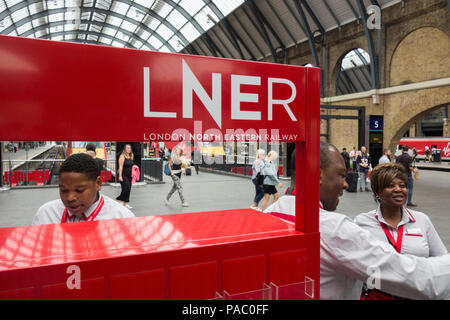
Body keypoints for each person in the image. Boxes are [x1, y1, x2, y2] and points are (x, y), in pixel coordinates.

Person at [264, 141, 450, 299]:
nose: (345, 184)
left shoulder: (267, 215)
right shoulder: (334, 228)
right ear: (318, 174)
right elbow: (423, 280)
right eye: (341, 175)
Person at [355, 163, 447, 299]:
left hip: (417, 295)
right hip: (378, 294)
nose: (398, 189)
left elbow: (442, 259)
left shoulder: (422, 220)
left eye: (402, 185)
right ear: (377, 191)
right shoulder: (362, 222)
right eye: (391, 185)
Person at [32, 153, 134, 225]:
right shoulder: (45, 214)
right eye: (64, 190)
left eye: (79, 190)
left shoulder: (122, 219)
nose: (70, 198)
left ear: (98, 184)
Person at [116, 144, 134, 209]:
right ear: (124, 149)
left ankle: (125, 203)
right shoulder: (122, 156)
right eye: (128, 148)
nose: (129, 149)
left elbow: (131, 165)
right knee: (126, 188)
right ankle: (120, 200)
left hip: (130, 176)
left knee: (128, 189)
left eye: (130, 148)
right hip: (124, 175)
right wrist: (120, 176)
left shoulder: (130, 156)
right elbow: (120, 167)